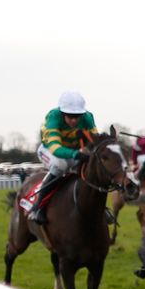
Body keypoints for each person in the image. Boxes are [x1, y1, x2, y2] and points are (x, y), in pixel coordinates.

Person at [29, 91, 98, 224]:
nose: (74, 120)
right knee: (61, 165)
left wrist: (90, 143)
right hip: (49, 150)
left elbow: (95, 141)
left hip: (73, 150)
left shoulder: (88, 117)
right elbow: (56, 148)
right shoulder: (54, 117)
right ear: (62, 113)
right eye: (70, 116)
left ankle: (99, 208)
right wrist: (75, 154)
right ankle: (38, 206)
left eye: (77, 116)